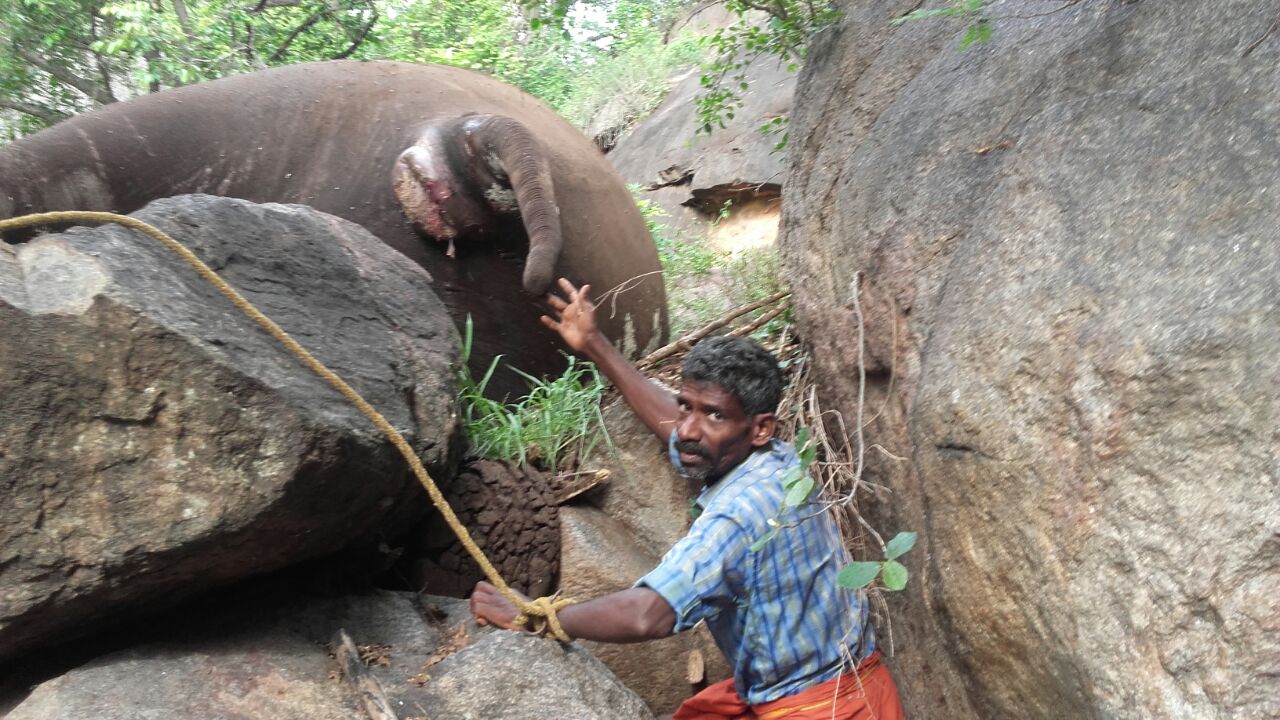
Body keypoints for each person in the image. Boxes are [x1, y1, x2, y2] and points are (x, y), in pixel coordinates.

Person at [470, 279, 904, 720]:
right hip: (813, 684)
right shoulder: (774, 459)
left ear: (760, 428)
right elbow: (679, 426)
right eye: (686, 407)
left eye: (713, 415)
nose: (687, 430)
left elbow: (650, 614)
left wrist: (539, 616)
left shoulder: (741, 514)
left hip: (825, 707)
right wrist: (595, 344)